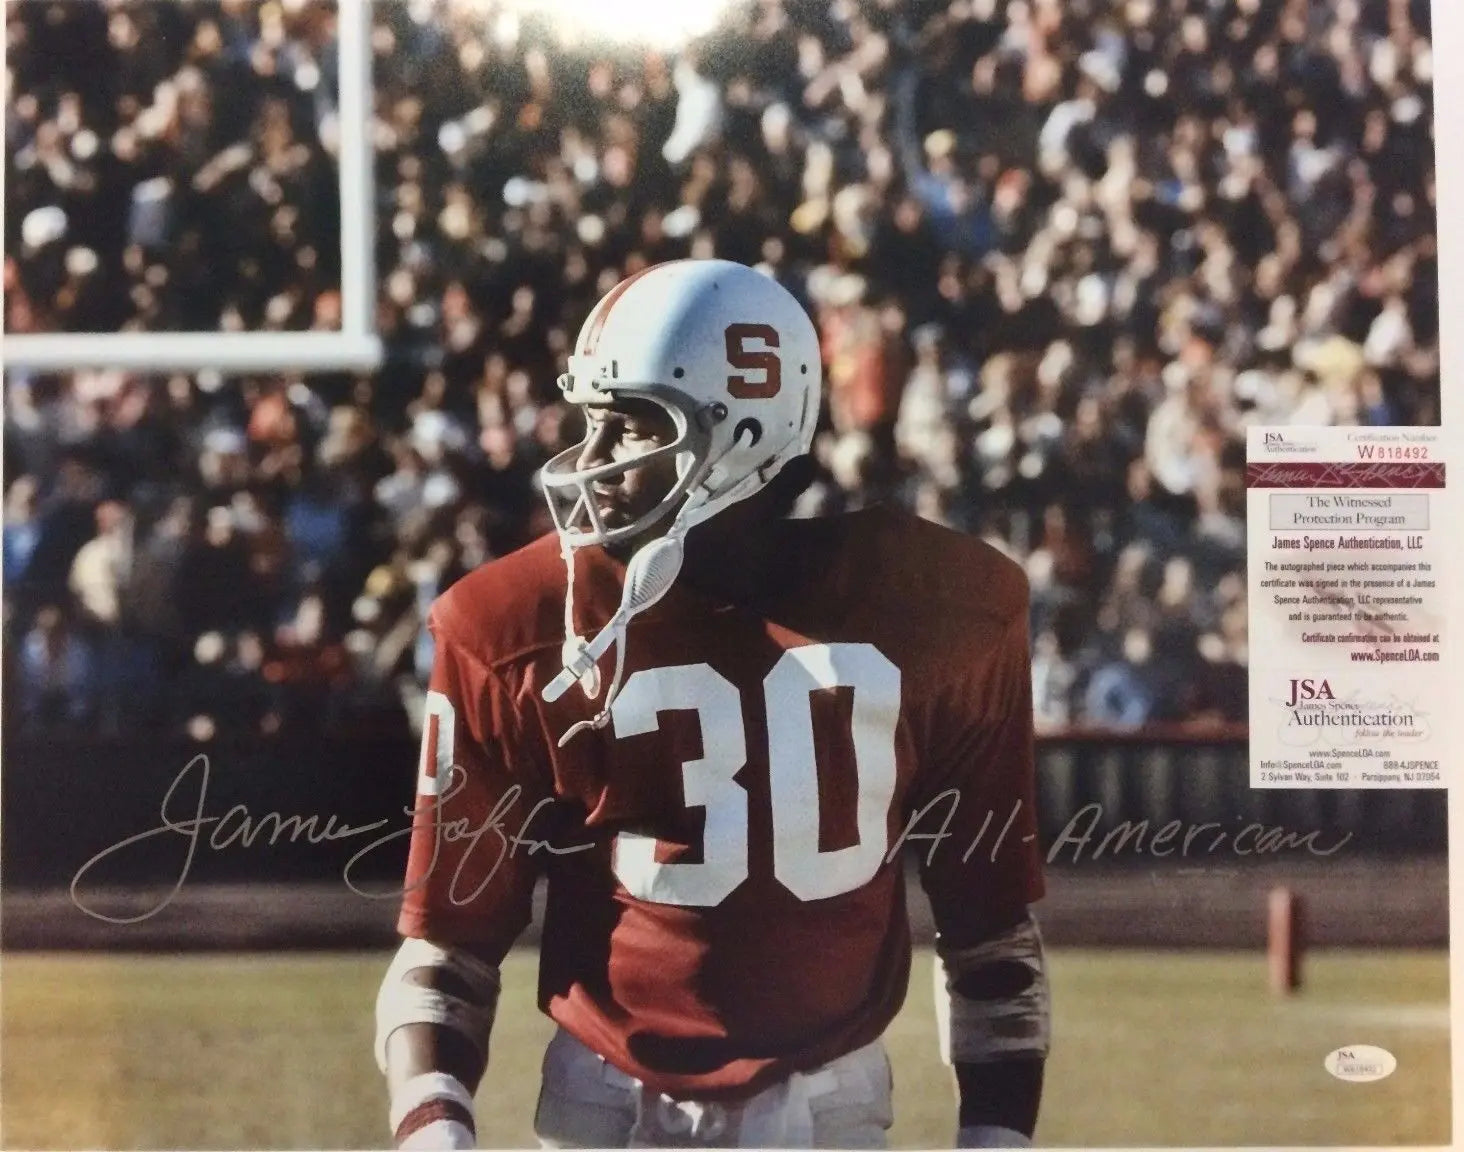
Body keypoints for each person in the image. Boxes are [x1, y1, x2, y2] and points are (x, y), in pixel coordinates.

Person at [374, 260, 1049, 1150]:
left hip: (832, 1109)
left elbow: (993, 939)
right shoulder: (516, 623)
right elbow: (446, 950)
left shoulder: (938, 607)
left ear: (743, 437)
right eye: (594, 423)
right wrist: (436, 1132)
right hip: (605, 1106)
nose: (596, 460)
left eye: (633, 426)